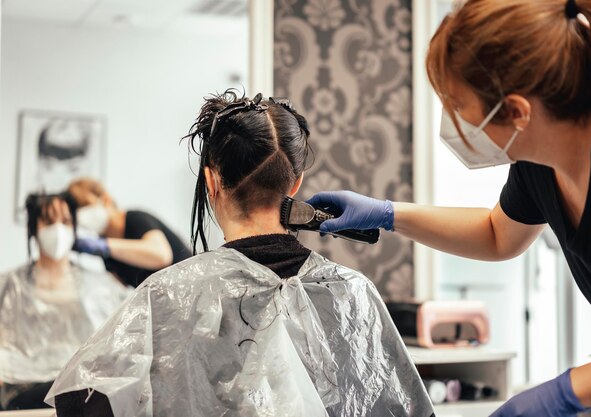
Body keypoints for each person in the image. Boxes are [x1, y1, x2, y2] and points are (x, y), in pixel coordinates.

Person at [307, 0, 591, 415]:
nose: (452, 121)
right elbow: (497, 235)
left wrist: (564, 392)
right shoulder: (539, 165)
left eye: (458, 105)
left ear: (515, 111)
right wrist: (388, 213)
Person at [45, 91, 435, 417]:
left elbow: (81, 401)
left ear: (211, 181)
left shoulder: (167, 293)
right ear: (296, 182)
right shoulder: (354, 291)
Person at [0, 193, 130, 410]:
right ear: (34, 229)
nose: (58, 229)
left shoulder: (100, 285)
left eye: (66, 221)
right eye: (49, 221)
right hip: (23, 388)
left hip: (84, 387)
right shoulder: (9, 286)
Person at [68, 178, 192, 287]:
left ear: (105, 199)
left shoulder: (135, 219)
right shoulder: (107, 254)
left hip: (192, 290)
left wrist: (105, 246)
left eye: (85, 205)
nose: (81, 214)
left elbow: (162, 256)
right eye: (76, 211)